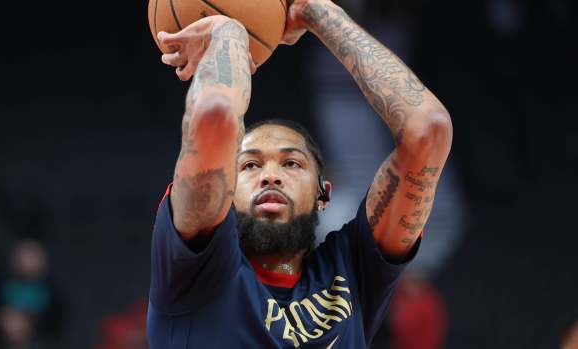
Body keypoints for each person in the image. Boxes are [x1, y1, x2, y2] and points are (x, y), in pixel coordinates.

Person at [147, 0, 452, 347]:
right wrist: (228, 32)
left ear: (324, 194)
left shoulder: (351, 270)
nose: (270, 175)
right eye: (250, 165)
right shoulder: (192, 270)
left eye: (292, 163)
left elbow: (429, 130)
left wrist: (319, 12)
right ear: (226, 191)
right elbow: (214, 117)